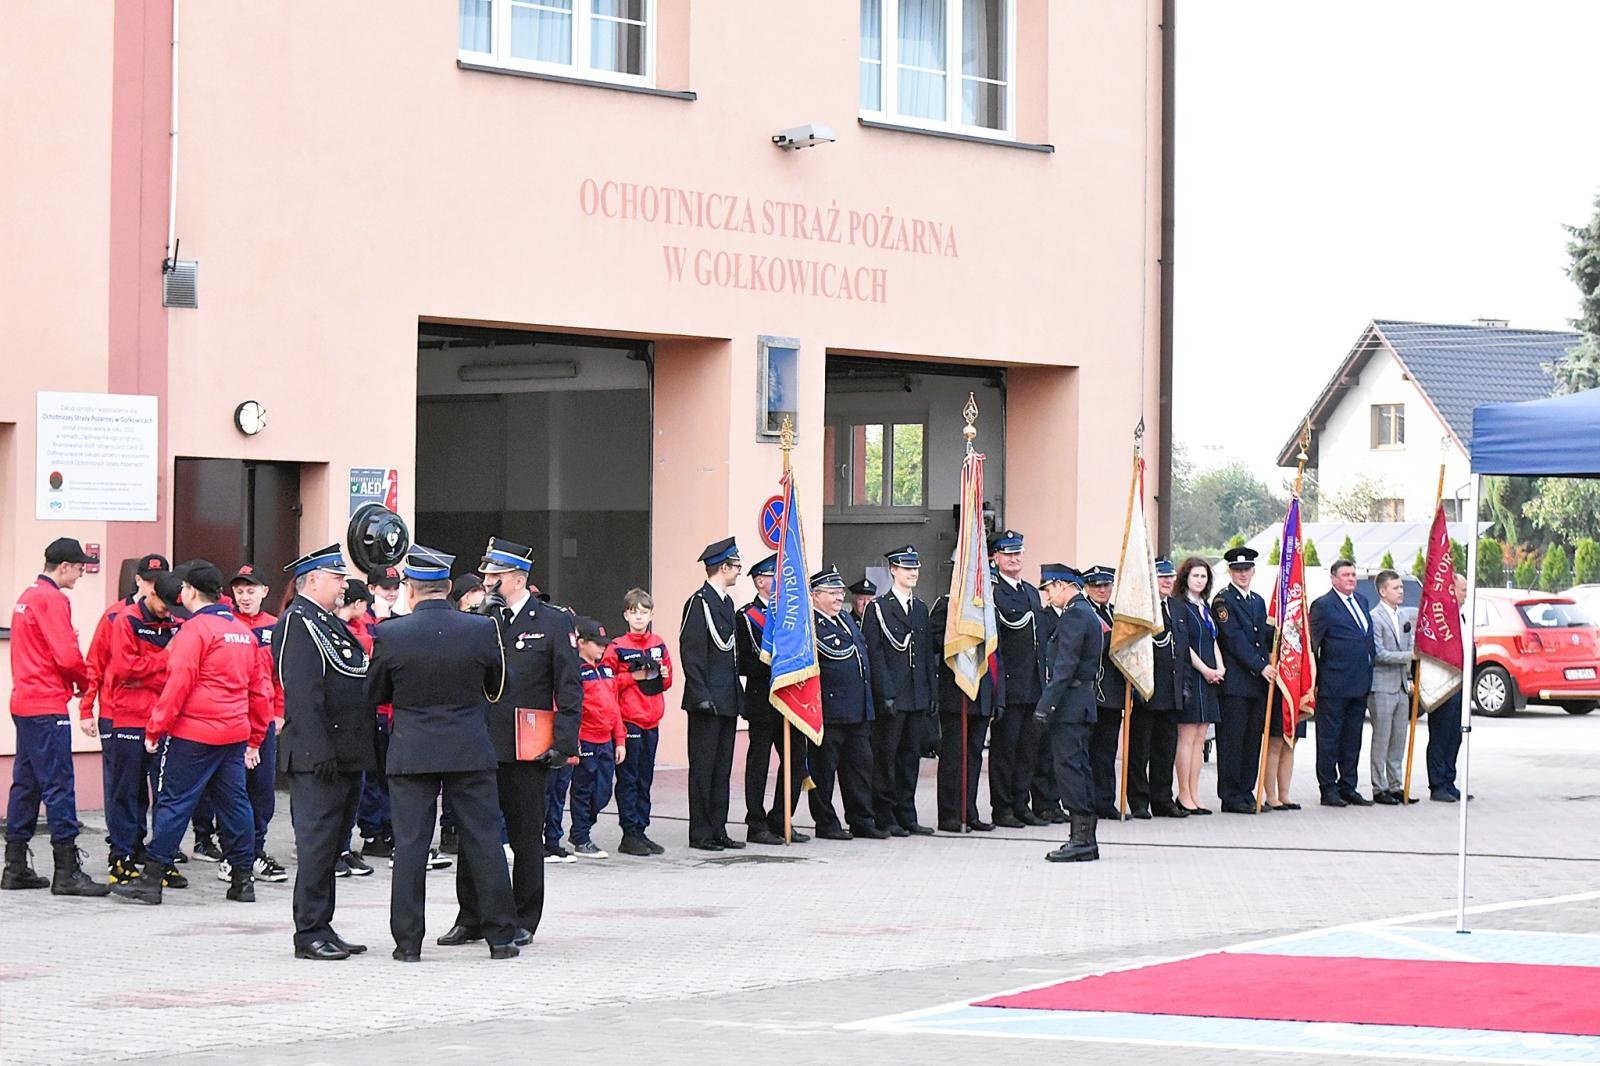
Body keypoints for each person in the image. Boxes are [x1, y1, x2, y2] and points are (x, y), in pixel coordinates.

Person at [366, 546, 520, 962]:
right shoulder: (481, 628)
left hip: (412, 749)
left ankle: (407, 943)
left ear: (410, 590)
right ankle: (500, 937)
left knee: (410, 847)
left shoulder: (390, 633)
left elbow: (376, 692)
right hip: (468, 747)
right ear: (449, 587)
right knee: (484, 841)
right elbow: (497, 686)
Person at [437, 537, 581, 948]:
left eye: (496, 577)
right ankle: (471, 917)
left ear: (518, 578)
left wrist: (564, 742)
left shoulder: (552, 621)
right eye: (486, 576)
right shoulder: (481, 619)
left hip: (526, 746)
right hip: (479, 742)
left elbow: (569, 686)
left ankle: (523, 917)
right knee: (473, 834)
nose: (488, 583)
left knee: (525, 837)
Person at [112, 561, 274, 905]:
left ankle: (152, 879)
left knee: (173, 802)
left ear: (189, 591)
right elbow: (260, 691)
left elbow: (178, 684)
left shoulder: (195, 630)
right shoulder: (242, 633)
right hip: (233, 733)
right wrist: (256, 736)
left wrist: (155, 729)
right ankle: (242, 880)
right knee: (235, 805)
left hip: (193, 733)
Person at [275, 545, 377, 960]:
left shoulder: (327, 621)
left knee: (333, 847)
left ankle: (324, 925)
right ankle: (309, 932)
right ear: (313, 580)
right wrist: (321, 752)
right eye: (337, 578)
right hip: (318, 756)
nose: (343, 586)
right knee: (317, 847)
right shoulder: (299, 622)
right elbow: (302, 694)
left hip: (344, 753)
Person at [3, 537, 107, 896]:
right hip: (47, 705)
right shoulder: (53, 599)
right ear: (63, 567)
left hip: (25, 702)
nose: (80, 575)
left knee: (27, 783)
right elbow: (66, 655)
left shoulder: (27, 596)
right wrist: (85, 681)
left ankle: (15, 865)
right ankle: (67, 871)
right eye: (79, 568)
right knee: (59, 785)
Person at [99, 571, 185, 887]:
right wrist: (164, 657)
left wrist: (148, 673)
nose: (167, 613)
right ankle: (122, 857)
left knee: (166, 795)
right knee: (127, 792)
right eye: (164, 605)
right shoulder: (127, 619)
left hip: (164, 718)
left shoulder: (177, 622)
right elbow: (124, 670)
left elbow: (179, 672)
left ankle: (161, 858)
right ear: (151, 594)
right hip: (129, 718)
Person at [206, 564, 290, 885]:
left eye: (251, 590)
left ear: (264, 592)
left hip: (263, 719)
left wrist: (279, 711)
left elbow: (280, 675)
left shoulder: (275, 627)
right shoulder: (226, 624)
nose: (244, 596)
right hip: (231, 718)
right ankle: (232, 855)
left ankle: (256, 850)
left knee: (262, 790)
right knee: (232, 791)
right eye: (239, 591)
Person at [82, 552, 170, 854]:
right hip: (116, 711)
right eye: (150, 581)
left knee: (154, 788)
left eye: (160, 581)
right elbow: (95, 664)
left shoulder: (170, 618)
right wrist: (86, 709)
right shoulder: (115, 616)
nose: (154, 587)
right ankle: (124, 845)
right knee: (123, 787)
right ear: (138, 580)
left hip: (157, 713)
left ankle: (149, 845)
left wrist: (145, 676)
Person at [863, 545, 936, 837]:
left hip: (916, 696)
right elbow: (875, 655)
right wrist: (885, 694)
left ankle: (907, 814)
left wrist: (930, 694)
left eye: (915, 568)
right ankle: (885, 815)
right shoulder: (879, 608)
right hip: (892, 697)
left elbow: (926, 655)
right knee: (886, 759)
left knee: (909, 760)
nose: (913, 573)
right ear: (893, 570)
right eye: (907, 568)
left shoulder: (920, 608)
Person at [678, 537, 745, 851]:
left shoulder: (726, 603)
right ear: (723, 567)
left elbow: (729, 654)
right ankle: (701, 832)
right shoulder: (699, 602)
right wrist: (700, 694)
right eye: (737, 566)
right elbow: (691, 653)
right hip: (706, 701)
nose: (739, 571)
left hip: (726, 698)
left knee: (721, 769)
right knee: (704, 769)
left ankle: (718, 828)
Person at [1033, 564, 1102, 862]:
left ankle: (1082, 840)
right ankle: (1085, 838)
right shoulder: (1085, 612)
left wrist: (1045, 706)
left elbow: (1065, 666)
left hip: (1069, 704)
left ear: (1062, 585)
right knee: (1079, 769)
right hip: (1079, 703)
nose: (1047, 596)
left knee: (1070, 771)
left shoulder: (1075, 615)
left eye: (1049, 589)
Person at [806, 567, 881, 839]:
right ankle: (826, 823)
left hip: (858, 710)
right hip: (830, 711)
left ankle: (862, 820)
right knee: (823, 772)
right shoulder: (810, 624)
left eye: (840, 592)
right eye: (832, 593)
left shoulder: (846, 619)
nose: (839, 598)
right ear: (815, 596)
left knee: (859, 769)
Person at [928, 563, 1002, 834]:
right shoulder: (947, 606)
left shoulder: (989, 612)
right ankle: (950, 814)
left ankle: (969, 811)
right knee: (953, 757)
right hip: (956, 693)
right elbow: (934, 644)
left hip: (982, 694)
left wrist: (997, 697)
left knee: (973, 757)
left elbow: (996, 657)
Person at [735, 555, 803, 846]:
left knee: (796, 760)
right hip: (762, 699)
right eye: (774, 577)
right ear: (761, 581)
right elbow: (744, 661)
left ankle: (782, 817)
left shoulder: (792, 615)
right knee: (759, 762)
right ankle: (756, 822)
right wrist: (778, 668)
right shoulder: (746, 616)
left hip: (791, 699)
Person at [603, 588, 674, 856]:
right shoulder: (617, 647)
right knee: (629, 779)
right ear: (626, 615)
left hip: (652, 720)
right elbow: (607, 683)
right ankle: (629, 833)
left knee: (645, 778)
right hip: (629, 721)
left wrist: (661, 674)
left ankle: (641, 830)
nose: (639, 618)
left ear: (651, 615)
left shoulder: (658, 643)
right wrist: (635, 676)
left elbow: (668, 681)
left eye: (644, 613)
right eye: (634, 613)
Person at [1309, 559, 1377, 807]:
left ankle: (1349, 786)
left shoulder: (1362, 601)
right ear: (1333, 578)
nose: (1351, 579)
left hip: (1360, 682)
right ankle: (1328, 788)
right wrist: (1315, 679)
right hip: (1334, 684)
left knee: (1352, 739)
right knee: (1329, 739)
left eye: (1353, 574)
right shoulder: (1323, 605)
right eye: (1346, 575)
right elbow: (1313, 645)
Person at [557, 618, 626, 858]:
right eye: (597, 644)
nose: (602, 648)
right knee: (583, 790)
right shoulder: (575, 671)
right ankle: (581, 836)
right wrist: (573, 740)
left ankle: (582, 829)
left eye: (604, 644)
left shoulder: (606, 669)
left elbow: (614, 707)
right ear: (582, 643)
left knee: (604, 791)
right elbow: (571, 708)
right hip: (585, 739)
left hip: (605, 740)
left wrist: (620, 740)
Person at [988, 531, 1044, 828]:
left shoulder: (1031, 592)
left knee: (1027, 752)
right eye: (1008, 554)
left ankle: (1021, 804)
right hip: (1009, 686)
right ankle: (1003, 808)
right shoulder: (994, 593)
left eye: (1018, 553)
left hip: (1033, 685)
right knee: (1005, 752)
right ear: (995, 558)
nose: (1014, 559)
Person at [1212, 546, 1274, 814]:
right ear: (1230, 572)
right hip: (1236, 683)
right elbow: (1234, 639)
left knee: (1251, 741)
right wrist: (1261, 666)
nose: (1243, 574)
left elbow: (1261, 637)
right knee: (1232, 742)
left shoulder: (1257, 601)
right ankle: (1230, 796)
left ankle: (1246, 792)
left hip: (1256, 684)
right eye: (1237, 570)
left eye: (1246, 569)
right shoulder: (1223, 601)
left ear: (1253, 571)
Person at [1126, 559, 1189, 819]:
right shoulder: (1141, 609)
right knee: (1140, 752)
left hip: (1171, 691)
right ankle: (1138, 801)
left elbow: (1182, 651)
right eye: (1162, 577)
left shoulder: (1177, 607)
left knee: (1165, 751)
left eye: (1170, 576)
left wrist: (1183, 685)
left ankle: (1162, 800)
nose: (1167, 581)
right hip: (1147, 691)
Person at [1175, 557, 1224, 815]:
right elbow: (1185, 645)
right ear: (1186, 577)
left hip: (1210, 678)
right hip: (1192, 677)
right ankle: (1183, 794)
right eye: (1195, 575)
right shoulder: (1181, 606)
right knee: (1187, 737)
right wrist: (1205, 670)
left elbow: (1212, 639)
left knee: (1200, 739)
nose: (1200, 580)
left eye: (1204, 576)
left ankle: (1194, 793)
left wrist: (1220, 667)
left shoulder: (1204, 606)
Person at [1368, 568, 1417, 805]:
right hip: (1382, 686)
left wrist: (1410, 674)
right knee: (1382, 739)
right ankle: (1379, 787)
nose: (1400, 591)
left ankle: (1396, 785)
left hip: (1401, 685)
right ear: (1382, 591)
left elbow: (1410, 643)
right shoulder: (1375, 617)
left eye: (1401, 587)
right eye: (1395, 588)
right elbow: (1379, 653)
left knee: (1399, 738)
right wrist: (1409, 656)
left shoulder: (1404, 615)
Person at [1083, 565, 1126, 818]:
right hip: (1091, 693)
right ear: (1087, 587)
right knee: (1088, 751)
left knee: (1107, 752)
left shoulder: (1115, 614)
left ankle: (1106, 802)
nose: (1101, 590)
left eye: (1106, 585)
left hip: (1113, 693)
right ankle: (1088, 802)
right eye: (1096, 585)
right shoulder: (1083, 612)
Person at [1427, 573, 1468, 802]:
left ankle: (1449, 781)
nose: (1466, 595)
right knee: (1441, 737)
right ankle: (1437, 785)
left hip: (1461, 684)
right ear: (1451, 590)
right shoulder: (1440, 617)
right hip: (1443, 685)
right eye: (1463, 590)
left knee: (1455, 736)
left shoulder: (1461, 615)